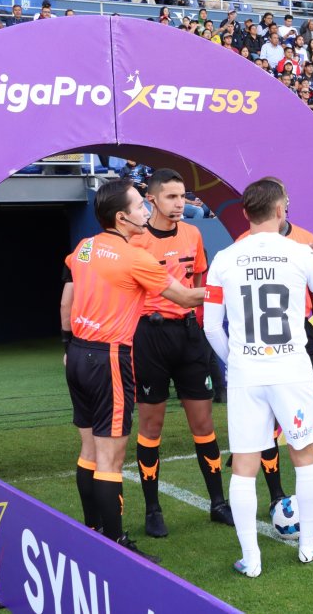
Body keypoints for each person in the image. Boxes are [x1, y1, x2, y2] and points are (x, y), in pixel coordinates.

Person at [203, 178, 313, 577]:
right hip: (291, 370)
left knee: (244, 465)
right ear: (282, 210)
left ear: (245, 213)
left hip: (247, 373)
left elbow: (212, 328)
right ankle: (308, 545)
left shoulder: (224, 258)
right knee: (304, 456)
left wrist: (234, 363)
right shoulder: (299, 253)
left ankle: (251, 560)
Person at [60, 179, 205, 555]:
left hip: (77, 354)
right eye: (141, 205)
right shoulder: (136, 258)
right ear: (123, 217)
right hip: (109, 357)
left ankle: (93, 529)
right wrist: (230, 282)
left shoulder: (84, 247)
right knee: (110, 458)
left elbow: (67, 297)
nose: (146, 210)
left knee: (89, 451)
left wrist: (65, 343)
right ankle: (114, 543)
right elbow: (188, 297)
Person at [237, 179, 313, 521]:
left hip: (304, 335)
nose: (285, 203)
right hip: (264, 340)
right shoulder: (242, 244)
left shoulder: (306, 241)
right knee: (269, 419)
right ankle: (277, 497)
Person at [127, 169, 234, 537]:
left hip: (189, 336)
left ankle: (218, 502)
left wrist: (205, 330)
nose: (180, 204)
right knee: (151, 427)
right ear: (151, 199)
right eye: (171, 197)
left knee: (203, 424)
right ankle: (153, 509)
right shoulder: (135, 242)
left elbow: (200, 283)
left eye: (184, 196)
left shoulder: (193, 233)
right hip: (149, 338)